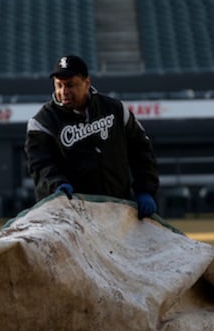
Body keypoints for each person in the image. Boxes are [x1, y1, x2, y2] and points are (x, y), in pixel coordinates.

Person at [24, 55, 159, 219]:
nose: (63, 92)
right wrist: (56, 185)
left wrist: (145, 189)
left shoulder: (115, 110)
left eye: (70, 85)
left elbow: (141, 151)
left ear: (87, 83)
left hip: (119, 209)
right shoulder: (42, 122)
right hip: (72, 216)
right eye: (58, 86)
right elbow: (41, 165)